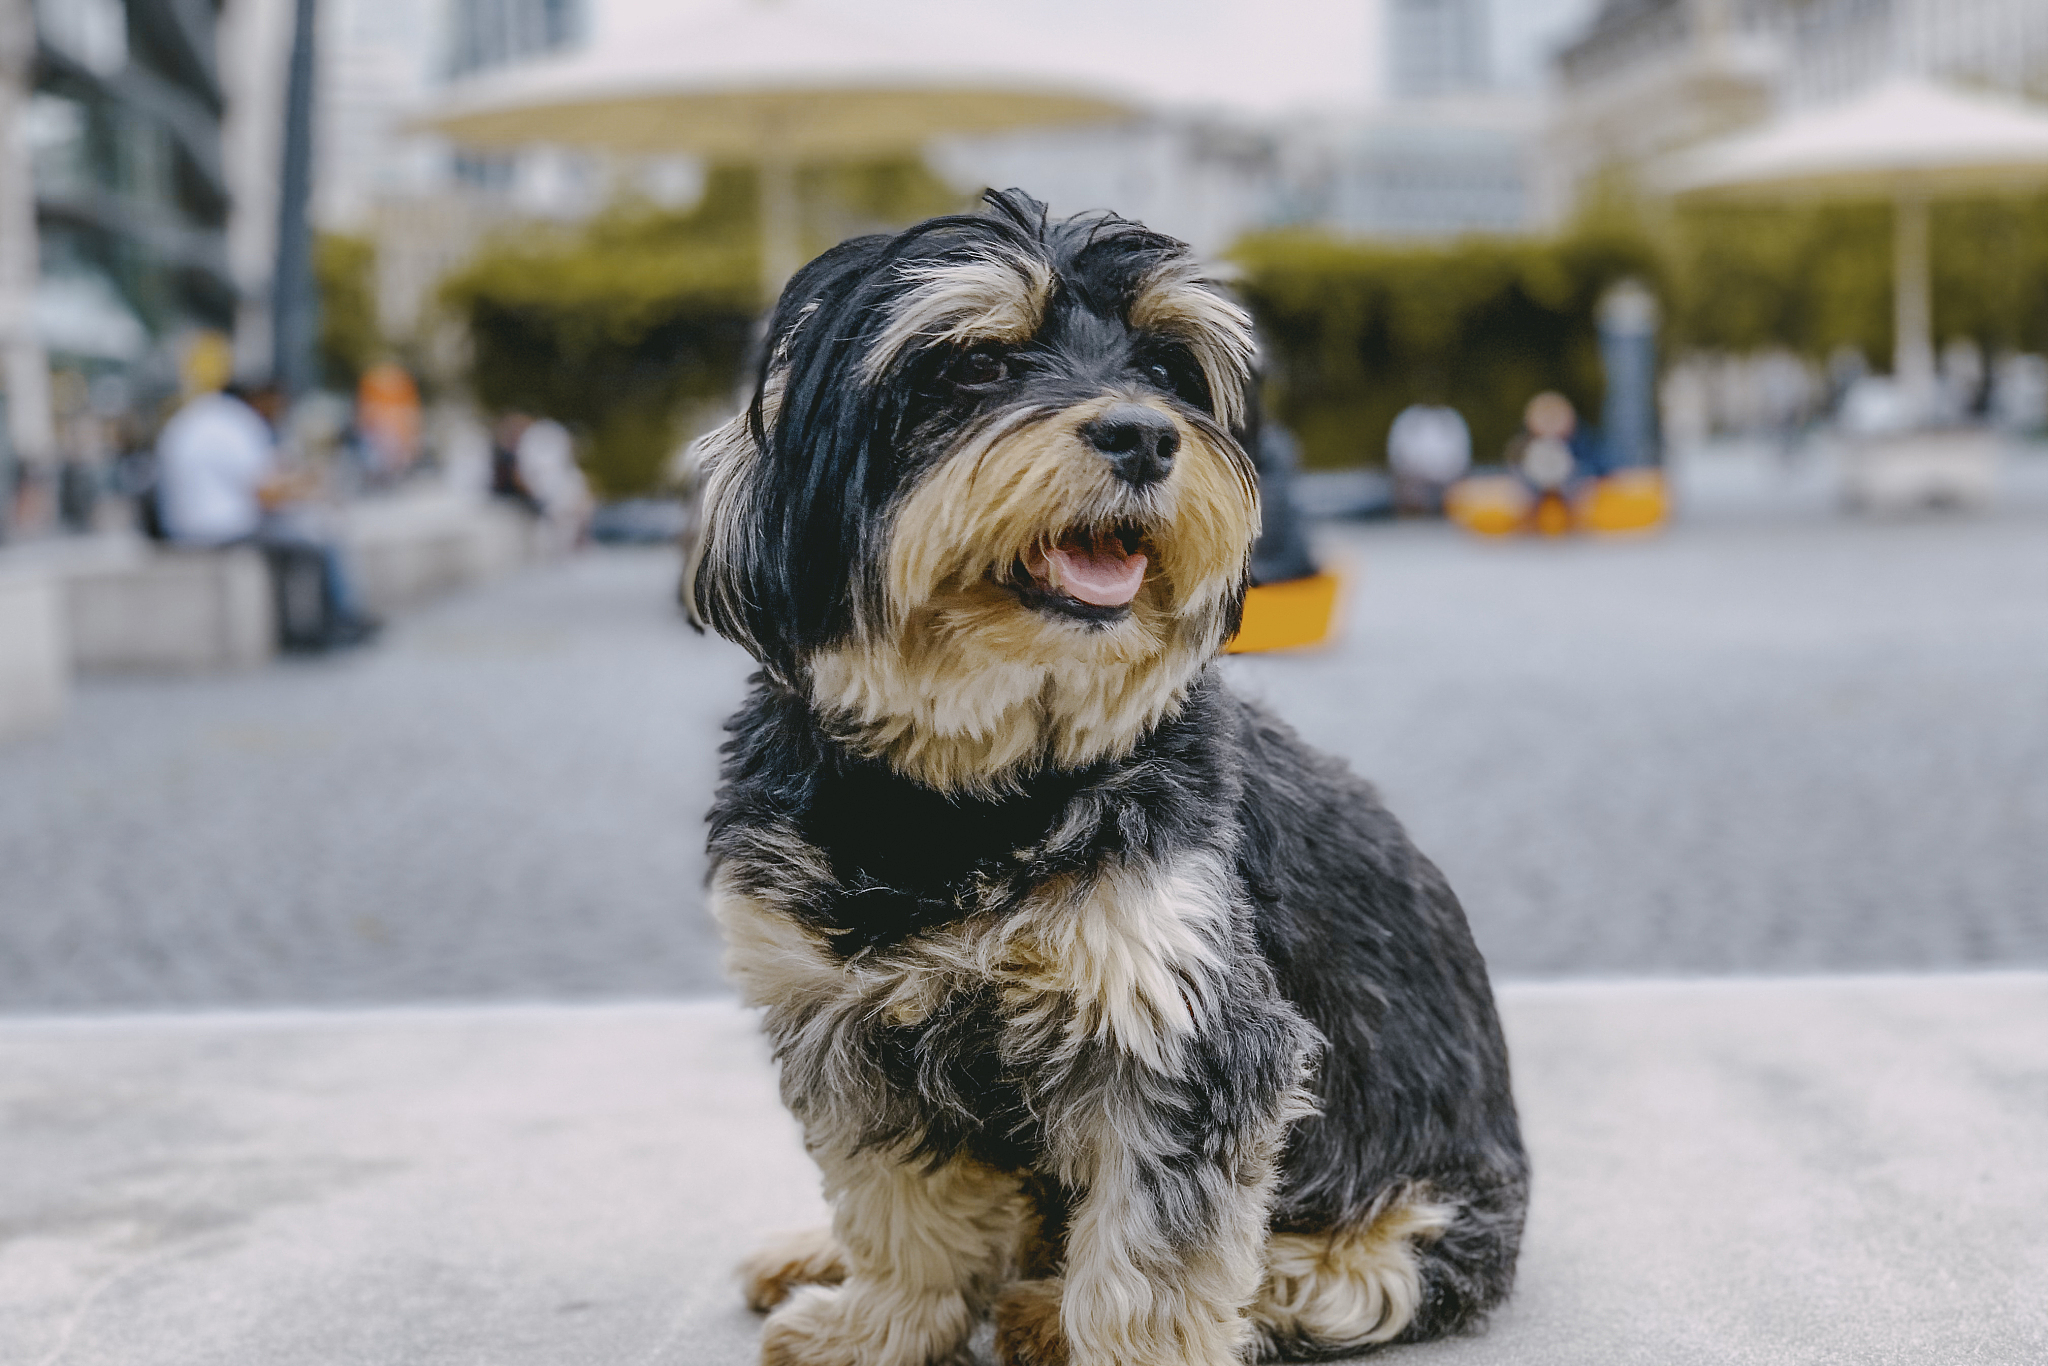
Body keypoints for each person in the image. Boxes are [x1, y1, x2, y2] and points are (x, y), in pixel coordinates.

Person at [155, 382, 379, 650]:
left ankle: (305, 629)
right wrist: (311, 489)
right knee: (315, 544)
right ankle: (332, 625)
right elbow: (265, 493)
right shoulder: (235, 422)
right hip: (219, 530)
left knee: (293, 541)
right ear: (262, 398)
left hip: (183, 527)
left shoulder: (196, 417)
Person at [1386, 402, 1472, 514]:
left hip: (1447, 478)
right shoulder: (1409, 419)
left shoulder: (1451, 419)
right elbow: (1399, 458)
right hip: (1416, 478)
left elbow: (1460, 460)